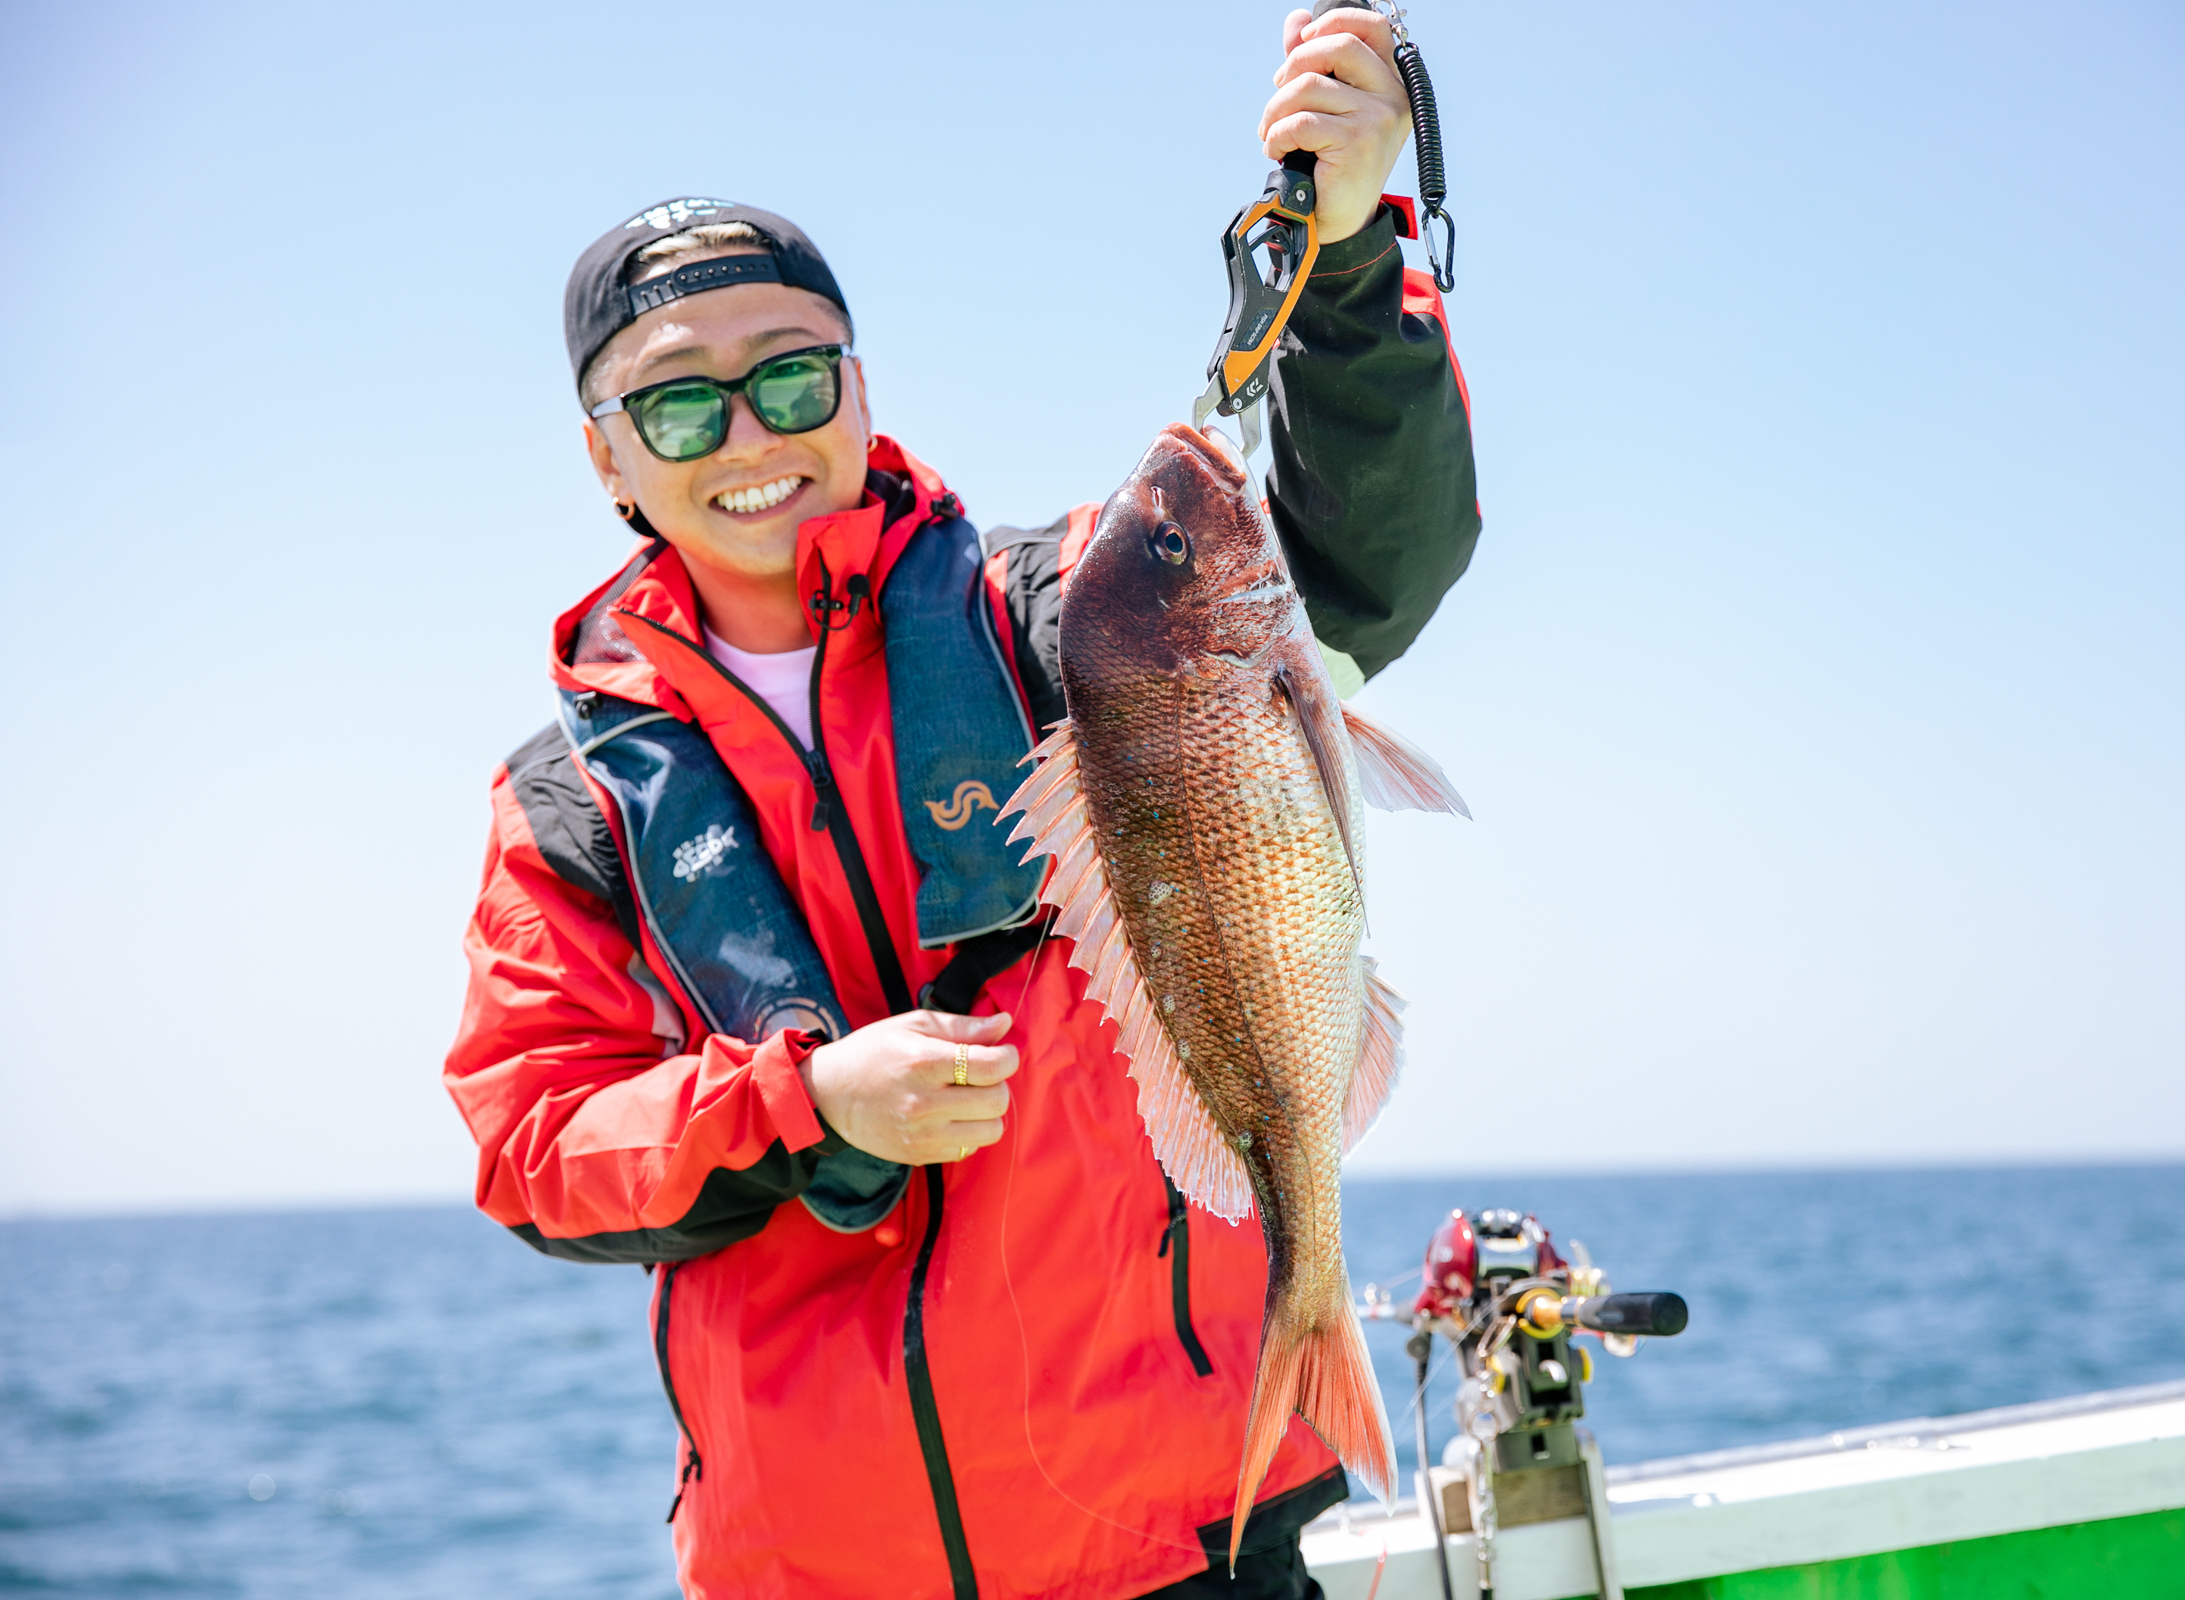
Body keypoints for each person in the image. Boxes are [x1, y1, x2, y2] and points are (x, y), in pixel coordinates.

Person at [442, 9, 1476, 1597]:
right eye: (677, 404)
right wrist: (805, 1105)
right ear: (608, 460)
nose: (750, 433)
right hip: (816, 1567)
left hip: (1185, 1536)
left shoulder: (1071, 614)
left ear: (858, 384)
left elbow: (1365, 560)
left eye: (792, 374)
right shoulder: (572, 803)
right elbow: (533, 1146)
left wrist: (1339, 261)